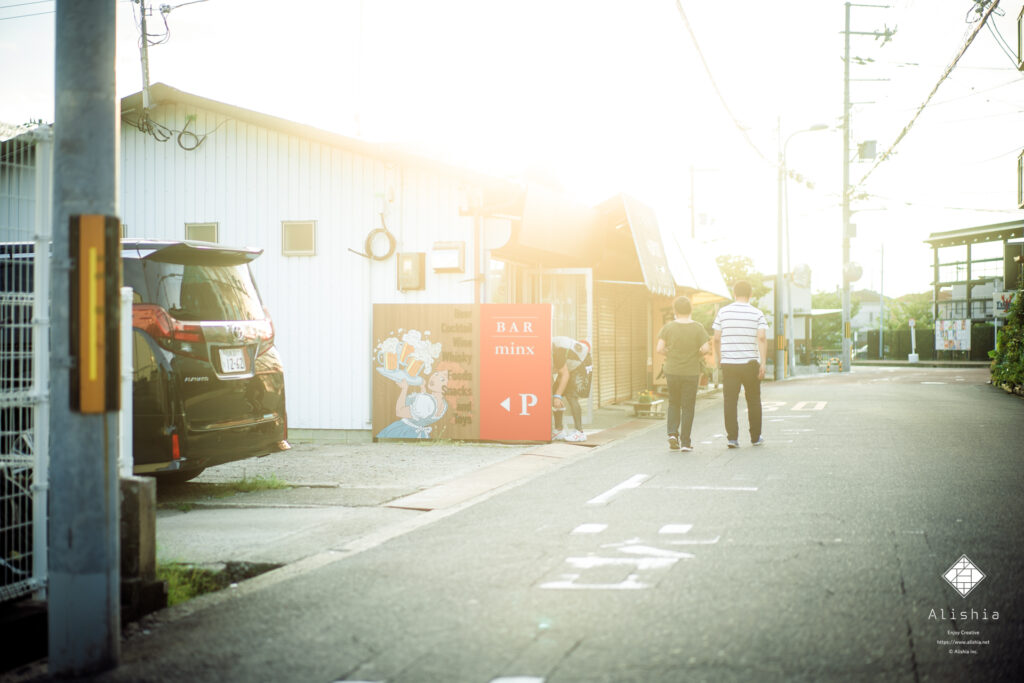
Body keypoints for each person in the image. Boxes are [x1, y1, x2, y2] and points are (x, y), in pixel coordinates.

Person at [712, 280, 768, 448]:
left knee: (730, 401)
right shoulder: (757, 313)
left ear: (734, 294)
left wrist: (720, 358)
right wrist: (763, 363)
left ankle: (732, 438)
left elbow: (716, 338)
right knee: (753, 400)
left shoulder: (723, 312)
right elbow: (762, 337)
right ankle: (755, 437)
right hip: (751, 363)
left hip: (729, 363)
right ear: (750, 294)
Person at [656, 296, 710, 452]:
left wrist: (671, 353)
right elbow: (706, 349)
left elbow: (659, 349)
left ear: (675, 311)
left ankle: (672, 434)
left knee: (674, 402)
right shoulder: (698, 327)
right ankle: (685, 442)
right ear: (690, 310)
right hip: (691, 372)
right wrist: (696, 354)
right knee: (688, 406)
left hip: (672, 370)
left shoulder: (668, 327)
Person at [376, 369, 449, 439]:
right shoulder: (444, 405)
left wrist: (404, 389)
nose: (434, 378)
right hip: (420, 434)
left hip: (405, 431)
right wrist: (422, 388)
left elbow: (400, 412)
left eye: (442, 379)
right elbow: (425, 414)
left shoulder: (426, 400)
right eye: (436, 374)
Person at [551, 336, 589, 442]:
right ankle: (559, 430)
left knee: (571, 395)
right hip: (570, 364)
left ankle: (579, 432)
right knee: (555, 392)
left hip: (582, 362)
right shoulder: (552, 349)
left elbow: (565, 374)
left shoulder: (557, 351)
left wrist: (558, 396)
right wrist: (556, 394)